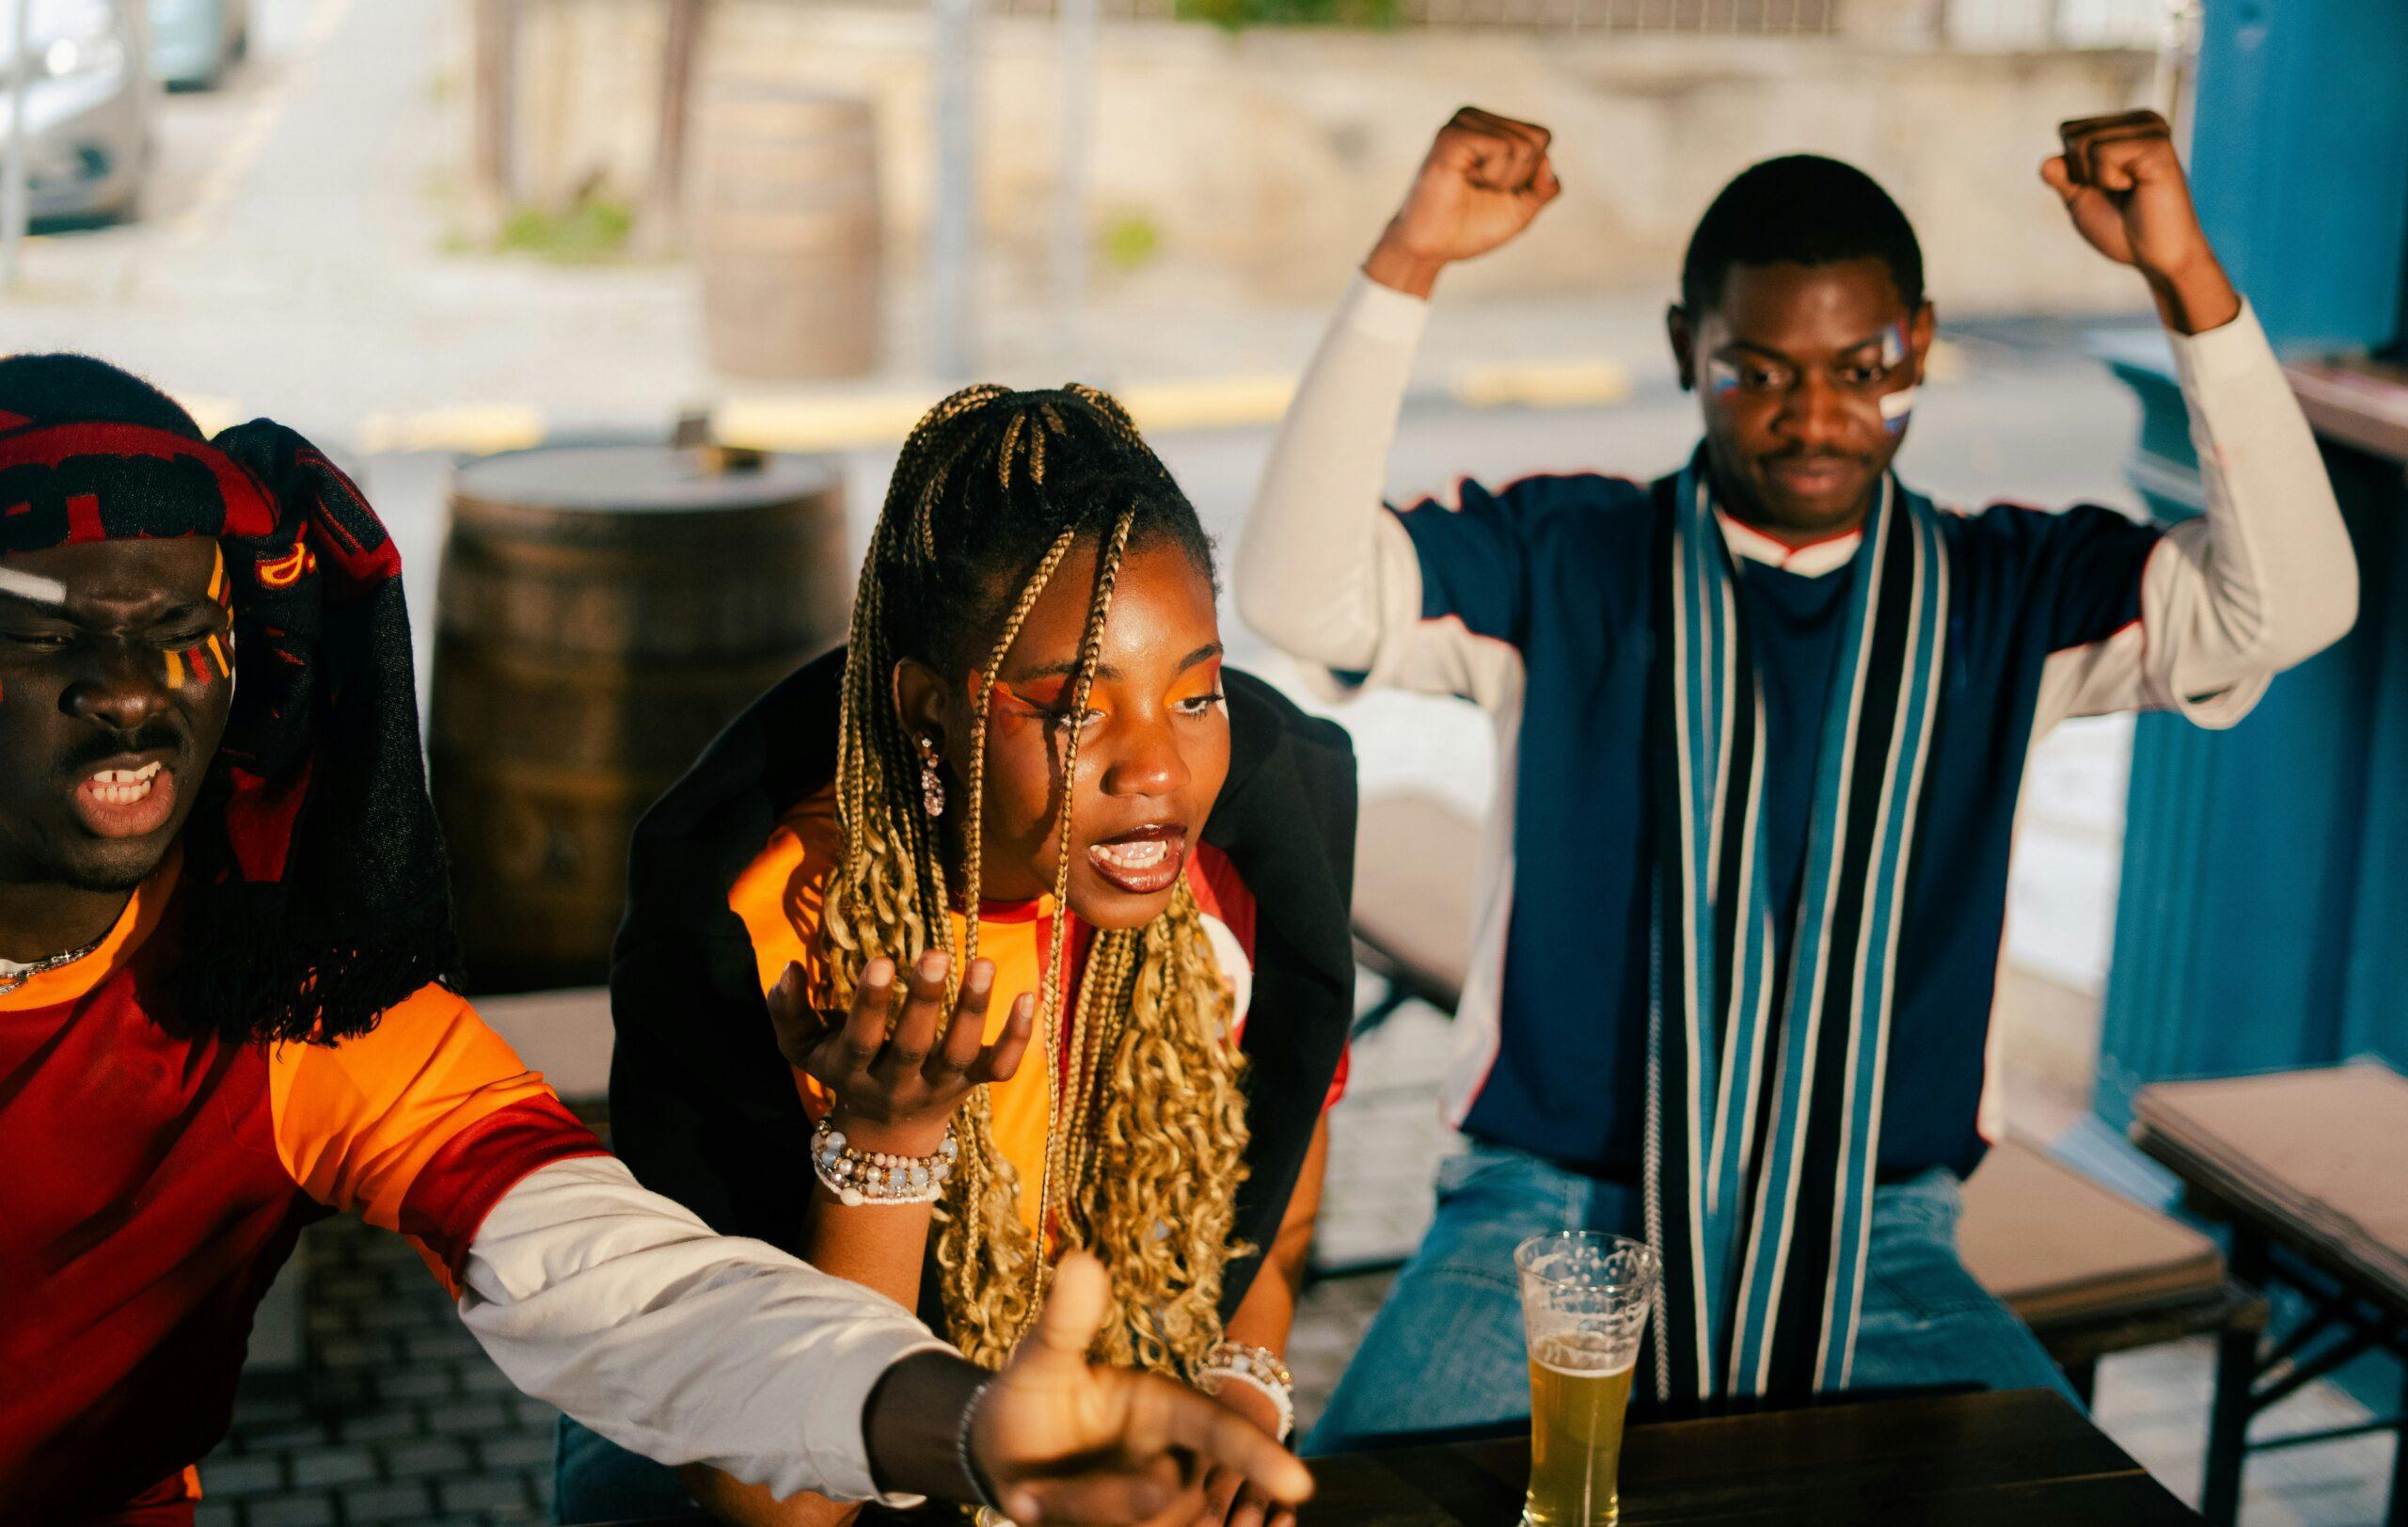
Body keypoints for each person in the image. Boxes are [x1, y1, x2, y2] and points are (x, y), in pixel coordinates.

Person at [0, 362, 1315, 1527]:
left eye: (178, 632)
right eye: (45, 632)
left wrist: (967, 1427)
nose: (126, 689)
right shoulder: (765, 916)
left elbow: (628, 1290)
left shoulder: (291, 1017)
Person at [1237, 107, 2358, 1443]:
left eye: (1863, 365)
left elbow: (2291, 606)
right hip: (1553, 1216)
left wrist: (2187, 280)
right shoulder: (1572, 560)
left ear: (1921, 345)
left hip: (1880, 1244)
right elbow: (1297, 592)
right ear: (1684, 352)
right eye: (1757, 369)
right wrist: (1408, 259)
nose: (1816, 413)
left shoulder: (2011, 593)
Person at [567, 384, 1359, 1525]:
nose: (1160, 769)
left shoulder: (1252, 853)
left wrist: (1242, 1386)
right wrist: (885, 1142)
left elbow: (1275, 1206)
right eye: (1079, 706)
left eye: (1196, 694)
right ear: (930, 708)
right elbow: (771, 1500)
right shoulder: (766, 928)